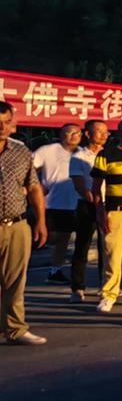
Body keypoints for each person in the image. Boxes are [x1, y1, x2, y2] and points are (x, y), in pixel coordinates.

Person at [0, 101, 48, 345]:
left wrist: (40, 221)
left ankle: (15, 329)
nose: (2, 127)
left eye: (6, 122)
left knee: (16, 280)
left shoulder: (21, 151)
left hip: (18, 224)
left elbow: (33, 187)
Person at [92, 119, 122, 313]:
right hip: (116, 211)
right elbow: (96, 188)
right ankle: (109, 295)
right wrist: (100, 212)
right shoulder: (107, 154)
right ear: (120, 133)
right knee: (113, 256)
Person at [33, 123, 81, 283]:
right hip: (53, 202)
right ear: (61, 135)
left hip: (78, 203)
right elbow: (29, 169)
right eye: (70, 132)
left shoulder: (83, 153)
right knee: (51, 238)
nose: (74, 135)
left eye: (78, 133)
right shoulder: (47, 150)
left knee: (66, 239)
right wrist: (36, 188)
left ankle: (56, 271)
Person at [69, 119, 109, 302]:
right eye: (99, 131)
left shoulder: (111, 154)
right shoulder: (79, 156)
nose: (104, 135)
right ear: (88, 134)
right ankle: (77, 288)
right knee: (82, 246)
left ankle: (106, 287)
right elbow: (79, 184)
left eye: (106, 132)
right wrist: (94, 200)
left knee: (107, 248)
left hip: (108, 205)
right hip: (88, 205)